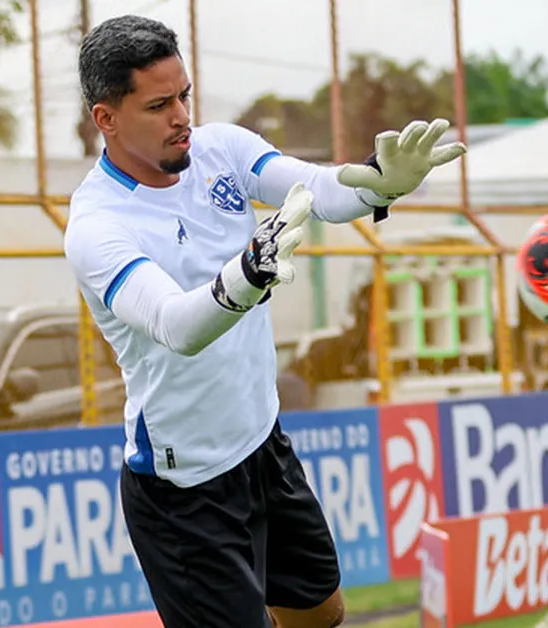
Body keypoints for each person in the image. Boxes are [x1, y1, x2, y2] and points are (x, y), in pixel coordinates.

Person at [64, 15, 465, 628]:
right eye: (159, 104)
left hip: (261, 444)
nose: (181, 116)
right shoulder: (98, 225)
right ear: (106, 119)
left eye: (185, 95)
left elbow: (314, 191)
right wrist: (248, 272)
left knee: (320, 615)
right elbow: (178, 326)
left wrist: (382, 186)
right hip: (184, 491)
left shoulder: (219, 148)